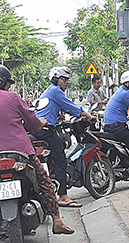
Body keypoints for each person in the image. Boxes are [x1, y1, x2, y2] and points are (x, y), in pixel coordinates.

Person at [0, 64, 74, 243]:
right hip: (21, 153)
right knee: (45, 182)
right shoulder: (13, 98)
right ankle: (57, 220)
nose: (9, 86)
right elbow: (33, 123)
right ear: (2, 82)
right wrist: (40, 123)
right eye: (7, 83)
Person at [32, 67, 94, 208]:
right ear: (56, 79)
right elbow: (71, 107)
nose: (66, 82)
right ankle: (63, 197)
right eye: (64, 79)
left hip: (37, 130)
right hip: (46, 131)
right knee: (61, 162)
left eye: (67, 80)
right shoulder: (55, 91)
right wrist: (89, 116)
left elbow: (58, 109)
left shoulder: (48, 91)